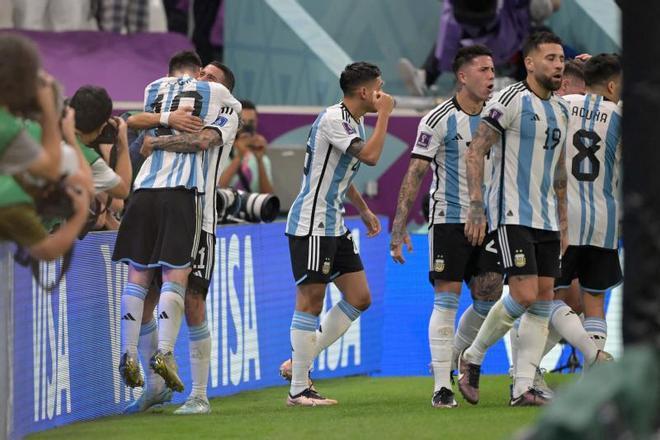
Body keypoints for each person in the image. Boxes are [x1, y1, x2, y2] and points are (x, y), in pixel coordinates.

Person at [113, 52, 240, 415]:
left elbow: (202, 142)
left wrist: (156, 141)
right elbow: (132, 122)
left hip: (199, 214)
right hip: (159, 199)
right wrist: (162, 121)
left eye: (211, 77)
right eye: (201, 72)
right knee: (148, 298)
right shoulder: (172, 97)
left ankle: (199, 394)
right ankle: (156, 387)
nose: (202, 78)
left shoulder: (226, 112)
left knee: (194, 303)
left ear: (223, 88)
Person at [457, 31, 573, 407]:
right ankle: (472, 356)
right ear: (530, 62)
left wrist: (564, 223)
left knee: (542, 302)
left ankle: (524, 386)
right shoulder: (509, 100)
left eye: (561, 59)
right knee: (522, 295)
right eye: (551, 58)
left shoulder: (561, 110)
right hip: (511, 214)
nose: (559, 65)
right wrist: (477, 205)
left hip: (546, 220)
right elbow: (475, 152)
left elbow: (558, 173)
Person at [390, 45, 503, 408]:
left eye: (492, 70)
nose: (491, 77)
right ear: (462, 76)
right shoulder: (437, 119)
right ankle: (441, 386)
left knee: (489, 296)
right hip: (449, 219)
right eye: (483, 70)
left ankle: (454, 355)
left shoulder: (500, 115)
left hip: (491, 221)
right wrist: (400, 225)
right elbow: (416, 172)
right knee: (448, 297)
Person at [282, 62, 394, 406]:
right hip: (312, 223)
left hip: (334, 223)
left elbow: (337, 174)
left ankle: (299, 362)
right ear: (364, 92)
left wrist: (361, 208)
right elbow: (373, 156)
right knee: (311, 301)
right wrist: (385, 115)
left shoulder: (353, 120)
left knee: (359, 297)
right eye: (379, 87)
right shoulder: (334, 119)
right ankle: (299, 388)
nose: (383, 92)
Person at [399, 0, 561, 96]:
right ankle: (425, 77)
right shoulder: (456, 23)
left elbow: (555, 4)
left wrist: (544, 5)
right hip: (470, 27)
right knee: (451, 34)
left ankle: (531, 88)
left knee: (542, 35)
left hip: (506, 35)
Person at [219, 99, 275, 194]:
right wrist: (239, 156)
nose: (247, 126)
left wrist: (259, 160)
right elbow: (217, 188)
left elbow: (267, 195)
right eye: (243, 122)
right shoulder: (220, 152)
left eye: (251, 122)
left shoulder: (262, 158)